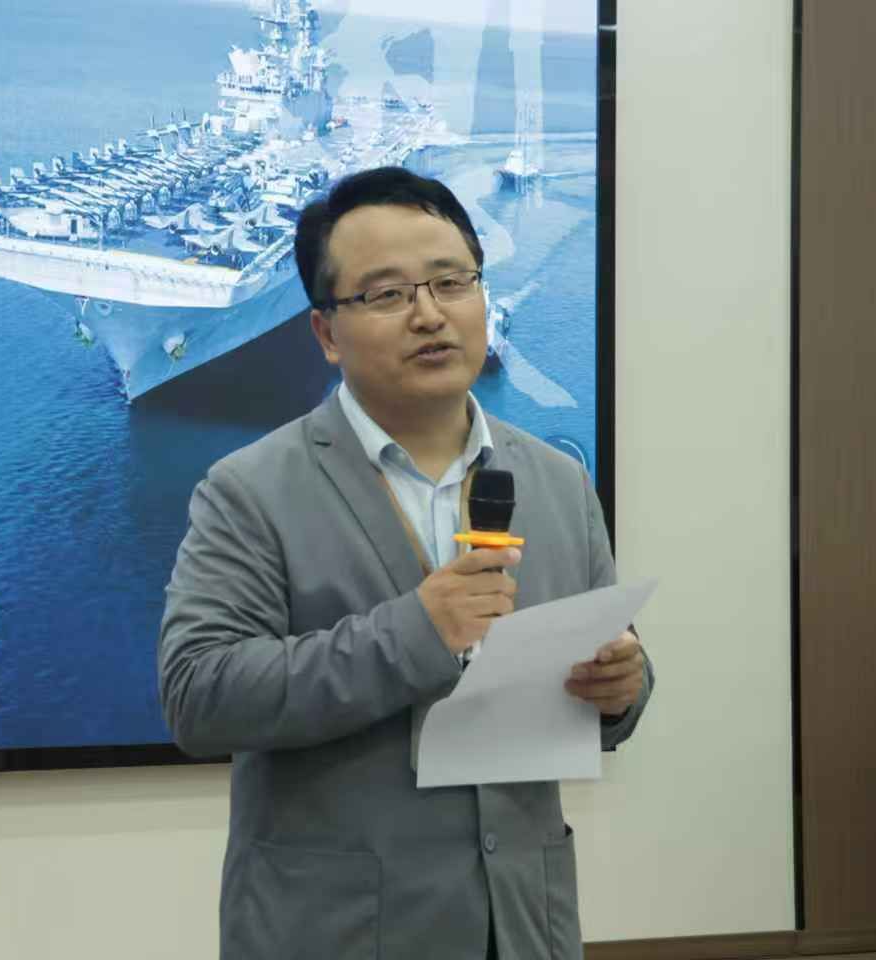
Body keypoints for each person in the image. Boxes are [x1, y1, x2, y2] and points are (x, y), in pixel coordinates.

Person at [158, 166, 653, 959]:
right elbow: (199, 695)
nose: (430, 314)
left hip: (525, 926)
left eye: (452, 282)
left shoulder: (558, 481)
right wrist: (416, 632)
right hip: (338, 933)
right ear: (326, 333)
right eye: (387, 294)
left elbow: (603, 665)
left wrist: (623, 689)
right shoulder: (249, 489)